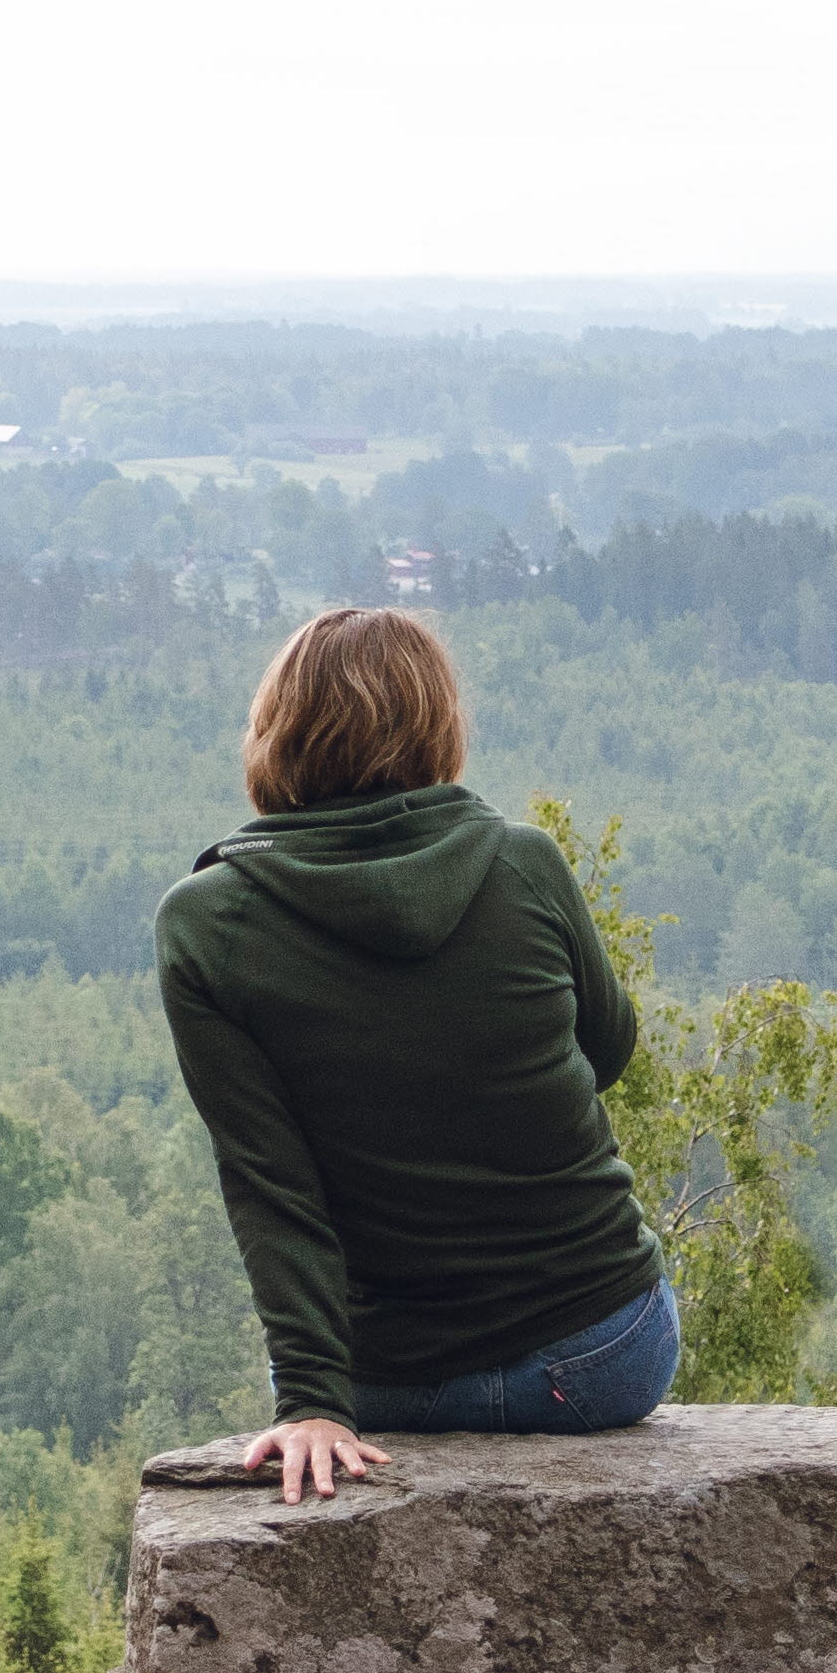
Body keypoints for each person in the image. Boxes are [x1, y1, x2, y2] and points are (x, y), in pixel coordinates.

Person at [153, 607, 677, 1501]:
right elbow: (611, 1049)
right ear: (438, 726)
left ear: (274, 733)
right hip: (605, 1356)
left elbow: (270, 1184)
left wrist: (314, 1402)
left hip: (391, 1384)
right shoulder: (522, 863)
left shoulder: (207, 923)